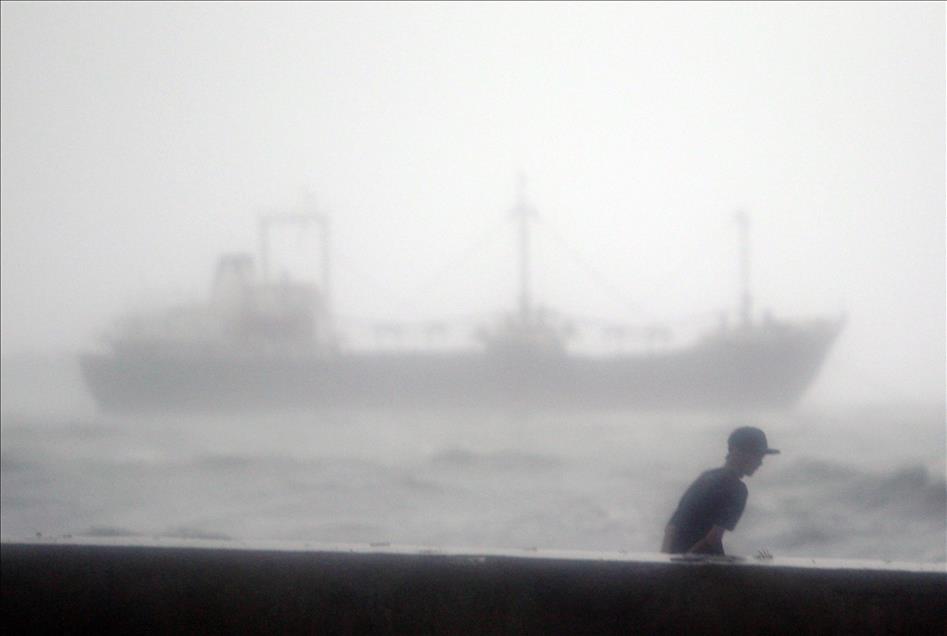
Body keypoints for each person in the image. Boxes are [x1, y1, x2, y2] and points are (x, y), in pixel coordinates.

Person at [660, 426, 779, 556]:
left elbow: (671, 527)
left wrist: (666, 562)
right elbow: (712, 539)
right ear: (736, 452)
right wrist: (685, 564)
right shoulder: (737, 489)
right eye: (756, 455)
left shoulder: (706, 477)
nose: (760, 462)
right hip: (698, 568)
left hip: (675, 562)